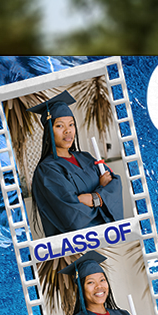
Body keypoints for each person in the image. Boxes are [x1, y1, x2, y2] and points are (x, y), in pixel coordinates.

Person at [28, 92, 124, 238]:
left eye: (71, 124)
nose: (68, 130)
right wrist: (102, 196)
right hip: (80, 244)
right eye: (60, 125)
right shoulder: (47, 170)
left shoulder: (85, 157)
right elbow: (72, 217)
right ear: (49, 131)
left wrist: (93, 198)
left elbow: (115, 183)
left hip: (110, 235)